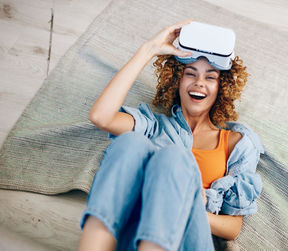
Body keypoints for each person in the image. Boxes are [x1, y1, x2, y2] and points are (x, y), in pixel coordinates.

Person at [78, 19, 264, 251]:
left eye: (210, 77)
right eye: (190, 73)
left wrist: (186, 202)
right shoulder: (153, 126)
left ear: (221, 87)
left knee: (174, 158)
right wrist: (150, 49)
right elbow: (101, 117)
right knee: (130, 143)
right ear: (177, 80)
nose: (199, 83)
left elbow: (233, 228)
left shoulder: (236, 142)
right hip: (134, 236)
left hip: (189, 238)